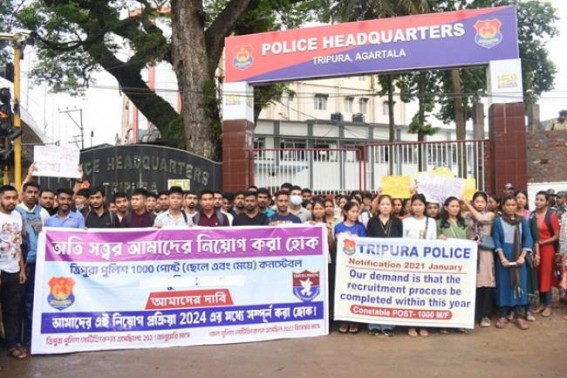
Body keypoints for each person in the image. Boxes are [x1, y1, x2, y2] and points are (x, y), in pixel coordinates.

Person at [16, 182, 49, 352]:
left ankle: (29, 340)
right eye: (29, 192)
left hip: (37, 264)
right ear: (23, 193)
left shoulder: (43, 213)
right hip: (20, 264)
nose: (33, 195)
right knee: (17, 303)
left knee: (31, 303)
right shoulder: (15, 211)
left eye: (36, 192)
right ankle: (15, 341)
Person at [492, 195, 534, 331]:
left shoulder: (523, 221)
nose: (511, 207)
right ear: (503, 206)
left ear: (517, 206)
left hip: (519, 256)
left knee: (519, 284)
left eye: (513, 204)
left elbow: (528, 239)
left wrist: (522, 256)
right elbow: (496, 239)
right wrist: (502, 257)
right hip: (504, 256)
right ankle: (503, 314)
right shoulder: (498, 221)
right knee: (504, 284)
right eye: (508, 205)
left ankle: (519, 315)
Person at [366, 194, 403, 337]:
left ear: (392, 207)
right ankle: (374, 325)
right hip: (375, 263)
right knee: (374, 294)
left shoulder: (398, 222)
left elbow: (401, 242)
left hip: (392, 264)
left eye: (388, 204)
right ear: (378, 206)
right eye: (383, 204)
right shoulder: (372, 222)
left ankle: (388, 325)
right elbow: (368, 242)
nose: (385, 206)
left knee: (389, 294)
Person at [403, 193, 436, 337]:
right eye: (415, 205)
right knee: (411, 294)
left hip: (426, 263)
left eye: (420, 205)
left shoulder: (432, 222)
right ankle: (411, 325)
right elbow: (402, 241)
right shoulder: (406, 222)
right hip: (410, 262)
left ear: (425, 206)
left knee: (424, 294)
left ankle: (423, 324)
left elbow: (434, 242)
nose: (417, 207)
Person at [0, 185, 27, 359]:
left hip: (14, 270)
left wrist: (22, 269)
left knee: (11, 310)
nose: (11, 201)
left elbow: (18, 244)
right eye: (7, 198)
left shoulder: (17, 216)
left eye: (14, 197)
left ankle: (12, 345)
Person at [462, 192, 496, 328]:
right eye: (477, 201)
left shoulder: (490, 215)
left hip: (485, 252)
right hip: (471, 252)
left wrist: (466, 203)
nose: (480, 204)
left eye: (482, 202)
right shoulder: (466, 216)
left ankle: (486, 314)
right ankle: (474, 314)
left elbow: (481, 219)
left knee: (486, 282)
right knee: (472, 283)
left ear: (486, 203)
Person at [437, 196, 470, 334]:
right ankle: (444, 323)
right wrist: (438, 238)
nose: (455, 209)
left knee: (460, 293)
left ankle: (460, 321)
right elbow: (433, 241)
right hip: (445, 264)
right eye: (452, 206)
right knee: (445, 293)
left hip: (462, 264)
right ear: (445, 208)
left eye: (457, 206)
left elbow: (469, 240)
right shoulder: (439, 223)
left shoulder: (465, 223)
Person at [334, 201, 366, 334]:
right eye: (352, 211)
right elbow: (334, 245)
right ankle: (343, 319)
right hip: (342, 266)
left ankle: (354, 321)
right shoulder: (338, 227)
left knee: (355, 292)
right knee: (343, 292)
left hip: (356, 265)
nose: (355, 214)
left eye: (357, 211)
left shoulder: (360, 227)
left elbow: (364, 244)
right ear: (346, 212)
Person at [529, 191, 559, 318]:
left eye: (541, 200)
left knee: (546, 276)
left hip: (547, 249)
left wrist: (543, 242)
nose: (538, 202)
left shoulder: (551, 215)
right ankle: (541, 303)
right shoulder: (531, 215)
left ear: (547, 202)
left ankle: (548, 305)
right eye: (537, 199)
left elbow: (557, 235)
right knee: (538, 276)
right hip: (536, 249)